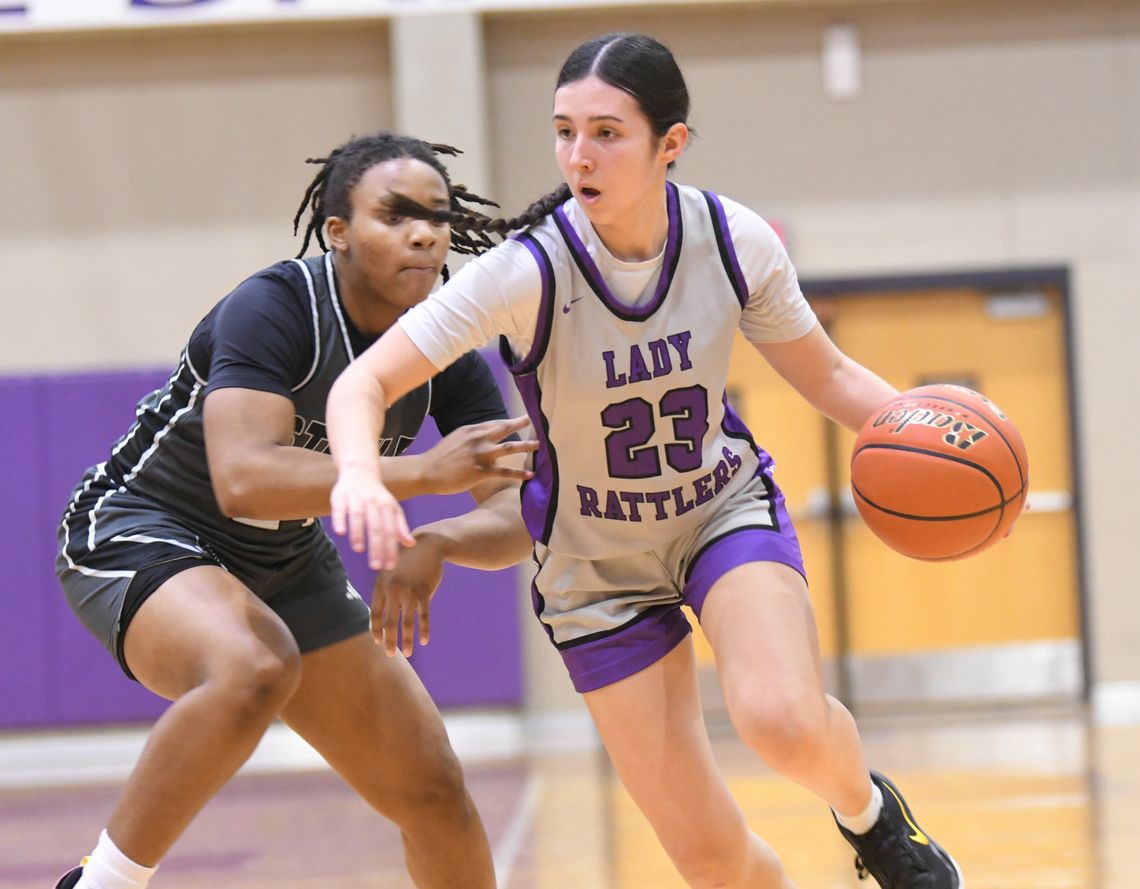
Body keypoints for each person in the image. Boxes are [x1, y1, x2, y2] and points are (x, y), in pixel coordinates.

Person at [324, 33, 966, 889]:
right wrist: (362, 473)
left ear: (672, 143)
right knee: (709, 857)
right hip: (596, 568)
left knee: (779, 718)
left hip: (716, 510)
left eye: (606, 133)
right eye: (563, 131)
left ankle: (873, 818)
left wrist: (934, 433)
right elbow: (363, 383)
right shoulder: (528, 272)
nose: (578, 155)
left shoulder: (732, 241)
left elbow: (835, 377)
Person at [53, 131, 537, 889]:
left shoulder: (445, 351)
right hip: (143, 524)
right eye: (395, 213)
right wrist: (420, 474)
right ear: (338, 232)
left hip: (283, 560)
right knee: (252, 665)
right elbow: (242, 478)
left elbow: (519, 514)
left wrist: (441, 540)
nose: (423, 232)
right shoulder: (276, 305)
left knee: (435, 792)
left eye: (437, 216)